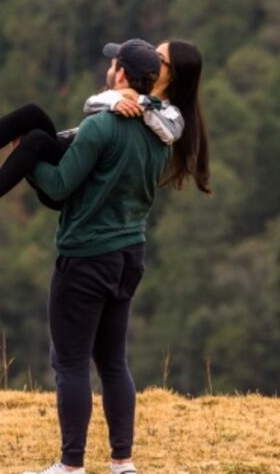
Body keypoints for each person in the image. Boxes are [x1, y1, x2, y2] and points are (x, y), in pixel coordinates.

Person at [20, 38, 210, 474]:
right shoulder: (164, 132)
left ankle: (71, 465)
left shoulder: (106, 125)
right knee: (112, 361)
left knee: (69, 362)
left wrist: (27, 159)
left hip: (87, 254)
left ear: (123, 73)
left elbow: (57, 187)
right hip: (130, 253)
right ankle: (123, 462)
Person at [0, 39, 184, 235]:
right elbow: (91, 102)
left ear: (122, 73)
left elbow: (172, 129)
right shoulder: (112, 99)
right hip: (74, 155)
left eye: (113, 65)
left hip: (74, 181)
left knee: (34, 140)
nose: (109, 70)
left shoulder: (160, 110)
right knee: (32, 113)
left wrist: (140, 106)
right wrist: (117, 100)